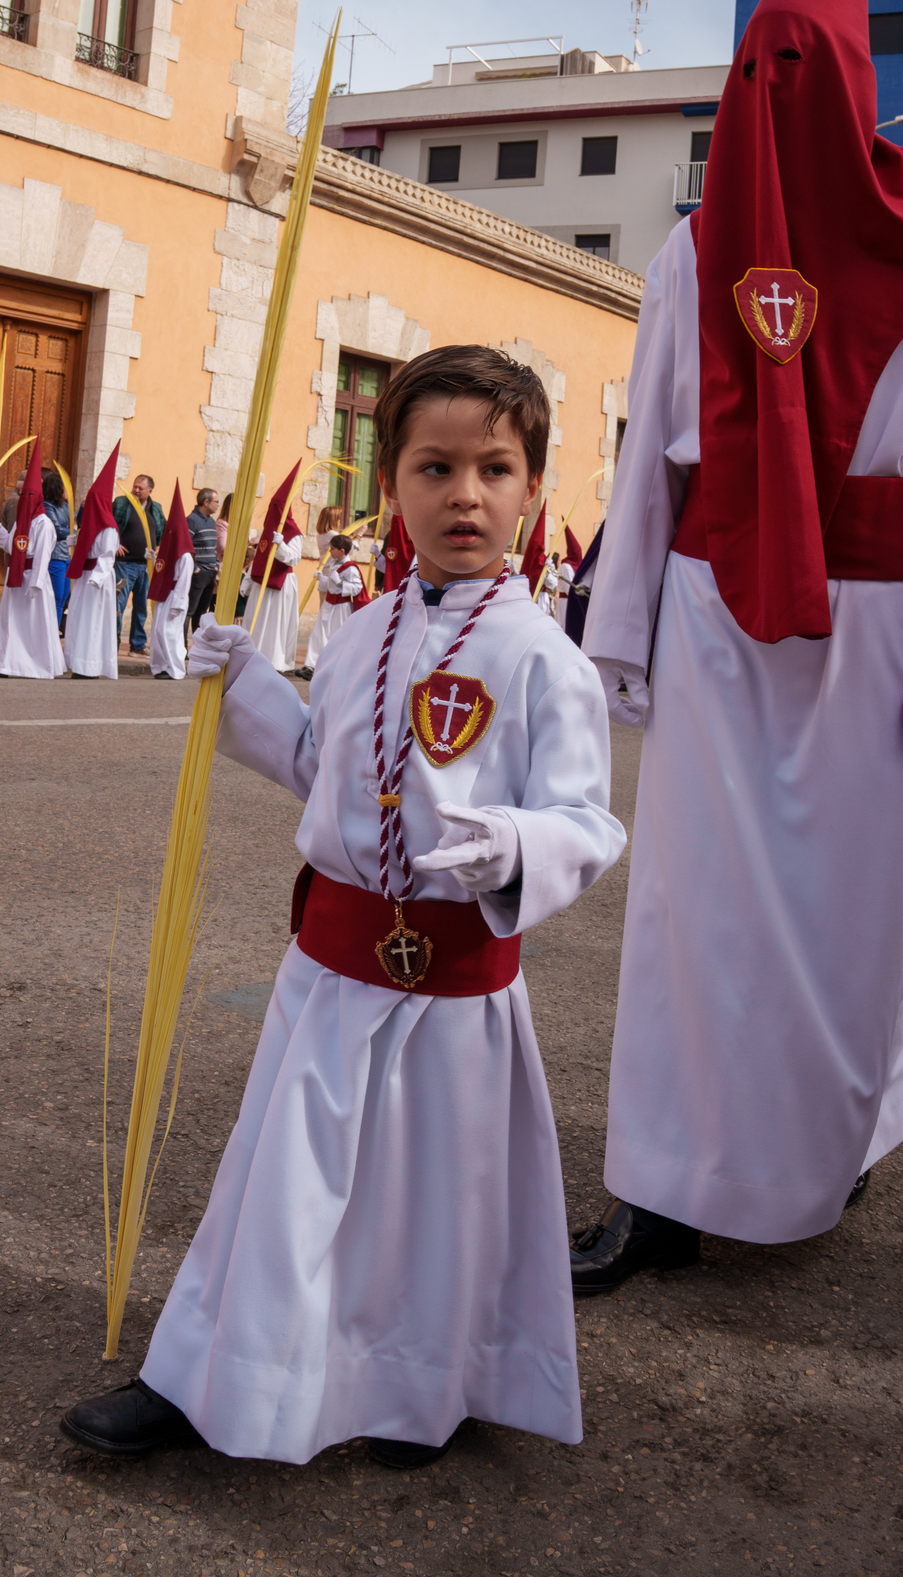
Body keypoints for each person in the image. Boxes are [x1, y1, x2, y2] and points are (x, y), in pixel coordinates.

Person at [60, 344, 625, 1469]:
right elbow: (329, 762)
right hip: (329, 975)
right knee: (280, 1187)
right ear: (391, 485)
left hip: (451, 992)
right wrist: (250, 688)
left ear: (533, 489)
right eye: (434, 467)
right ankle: (206, 1375)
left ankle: (419, 1390)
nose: (465, 493)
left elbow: (588, 821)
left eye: (496, 469)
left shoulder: (545, 661)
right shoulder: (359, 629)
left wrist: (514, 842)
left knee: (428, 1210)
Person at [574, 0, 903, 1294]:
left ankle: (836, 1143)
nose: (776, 97)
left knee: (852, 917)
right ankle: (661, 1185)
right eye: (762, 70)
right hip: (716, 609)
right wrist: (619, 631)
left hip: (877, 636)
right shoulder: (692, 251)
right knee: (692, 916)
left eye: (804, 70)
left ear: (860, 83)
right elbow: (649, 464)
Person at [0, 443, 65, 680]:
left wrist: (36, 583)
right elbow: (11, 544)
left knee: (33, 626)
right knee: (11, 622)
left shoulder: (43, 523)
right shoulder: (22, 521)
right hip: (16, 578)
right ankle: (6, 663)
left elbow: (42, 554)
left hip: (33, 580)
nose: (24, 499)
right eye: (23, 495)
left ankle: (34, 664)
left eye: (29, 496)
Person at [65, 443, 121, 680]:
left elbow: (107, 558)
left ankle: (90, 665)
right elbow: (83, 547)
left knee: (94, 623)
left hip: (97, 581)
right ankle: (78, 662)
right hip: (86, 577)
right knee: (79, 619)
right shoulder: (89, 527)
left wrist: (96, 580)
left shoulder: (108, 529)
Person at [245, 461, 303, 674]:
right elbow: (259, 556)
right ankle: (254, 658)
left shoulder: (294, 533)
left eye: (277, 508)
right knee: (257, 620)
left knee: (275, 625)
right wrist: (249, 578)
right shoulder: (267, 530)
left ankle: (274, 662)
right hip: (262, 582)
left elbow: (293, 559)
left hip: (281, 583)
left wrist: (280, 546)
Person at [148, 481, 195, 680]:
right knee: (159, 631)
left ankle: (175, 668)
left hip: (175, 597)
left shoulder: (185, 557)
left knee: (171, 633)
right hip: (164, 595)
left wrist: (178, 603)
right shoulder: (169, 552)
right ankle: (161, 665)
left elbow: (184, 582)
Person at [114, 473, 164, 656]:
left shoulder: (155, 508)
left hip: (146, 566)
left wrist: (158, 547)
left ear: (150, 491)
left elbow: (162, 530)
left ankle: (137, 644)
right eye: (134, 486)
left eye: (140, 488)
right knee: (118, 604)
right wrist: (114, 543)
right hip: (124, 566)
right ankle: (114, 642)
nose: (135, 490)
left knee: (141, 605)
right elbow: (110, 524)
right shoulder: (121, 503)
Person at [300, 533, 362, 676]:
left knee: (336, 637)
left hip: (341, 607)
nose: (330, 551)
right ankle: (310, 666)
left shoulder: (351, 568)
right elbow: (331, 584)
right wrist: (323, 579)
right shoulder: (335, 563)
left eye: (333, 548)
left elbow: (356, 587)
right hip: (328, 604)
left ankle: (334, 668)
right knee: (318, 634)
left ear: (342, 551)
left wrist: (341, 582)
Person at [41, 467, 73, 629]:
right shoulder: (47, 507)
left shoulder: (65, 507)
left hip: (66, 556)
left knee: (62, 599)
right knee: (55, 597)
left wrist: (82, 506)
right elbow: (56, 530)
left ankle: (53, 633)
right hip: (55, 557)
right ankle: (48, 634)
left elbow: (75, 525)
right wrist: (71, 530)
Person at [186, 487, 220, 636]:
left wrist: (216, 566)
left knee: (202, 613)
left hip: (210, 573)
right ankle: (183, 647)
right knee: (190, 611)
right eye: (216, 502)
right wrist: (194, 568)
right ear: (206, 502)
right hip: (198, 574)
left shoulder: (212, 522)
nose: (218, 505)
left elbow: (213, 547)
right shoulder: (192, 520)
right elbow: (186, 546)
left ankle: (198, 647)